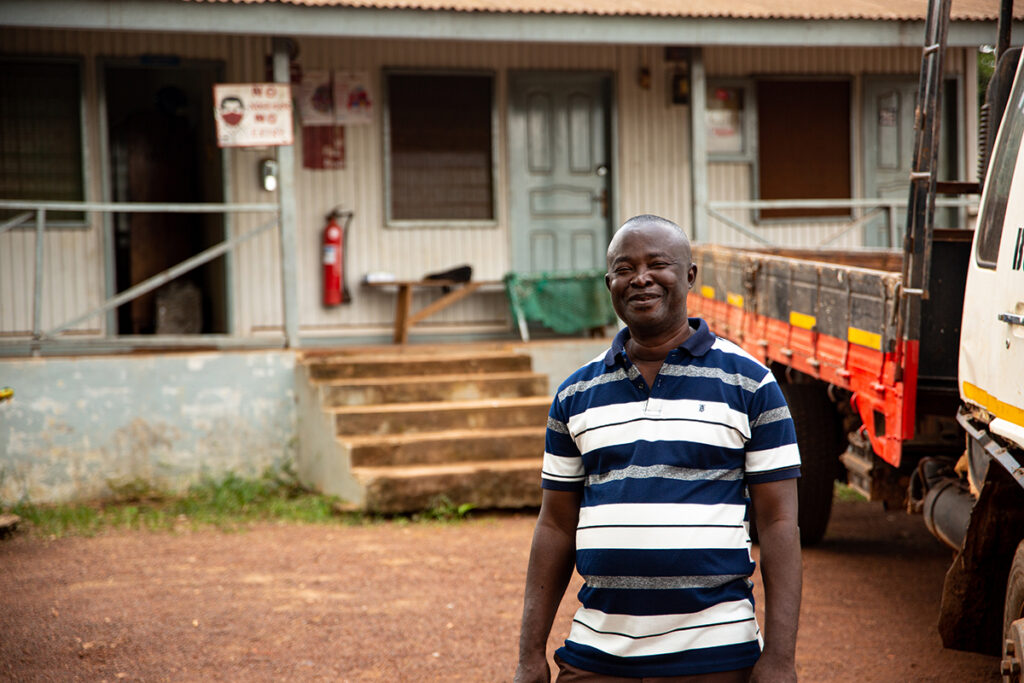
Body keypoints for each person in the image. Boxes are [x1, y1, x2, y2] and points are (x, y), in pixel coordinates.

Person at [515, 214, 802, 683]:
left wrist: (781, 658)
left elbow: (778, 523)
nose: (641, 277)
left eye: (658, 264)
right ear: (609, 283)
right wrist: (530, 654)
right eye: (624, 268)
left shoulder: (751, 384)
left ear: (689, 276)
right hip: (596, 655)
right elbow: (554, 525)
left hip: (715, 658)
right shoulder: (574, 394)